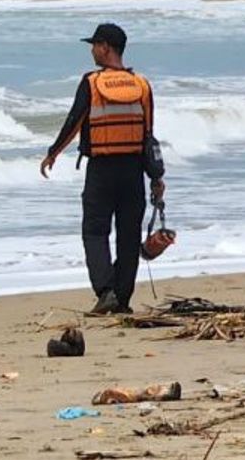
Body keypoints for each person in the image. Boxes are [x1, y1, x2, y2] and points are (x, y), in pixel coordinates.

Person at [40, 23, 165, 315]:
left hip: (101, 171)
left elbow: (75, 120)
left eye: (95, 45)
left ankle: (105, 291)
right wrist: (156, 177)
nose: (92, 51)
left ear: (105, 47)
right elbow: (148, 135)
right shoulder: (143, 86)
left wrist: (53, 153)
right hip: (133, 171)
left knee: (95, 232)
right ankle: (122, 300)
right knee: (128, 236)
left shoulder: (92, 83)